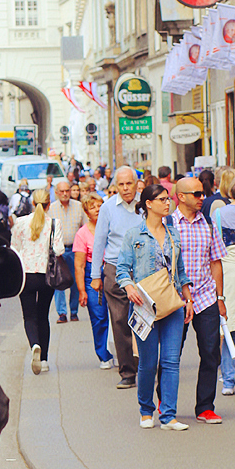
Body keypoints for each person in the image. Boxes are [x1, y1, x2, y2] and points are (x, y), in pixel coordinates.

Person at [116, 184, 193, 430]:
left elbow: (179, 270)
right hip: (144, 306)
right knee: (148, 362)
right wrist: (129, 288)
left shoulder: (173, 233)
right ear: (148, 204)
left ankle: (168, 415)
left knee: (171, 361)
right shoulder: (133, 235)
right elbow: (122, 269)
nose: (167, 203)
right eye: (162, 199)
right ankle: (146, 410)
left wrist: (187, 298)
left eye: (168, 199)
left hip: (172, 305)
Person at [169, 176, 227, 423]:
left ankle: (205, 406)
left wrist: (220, 297)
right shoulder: (167, 224)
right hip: (176, 299)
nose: (202, 198)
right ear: (180, 197)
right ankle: (165, 402)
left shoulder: (209, 224)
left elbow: (216, 262)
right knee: (172, 354)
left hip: (205, 297)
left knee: (211, 352)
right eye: (197, 194)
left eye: (203, 193)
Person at [91, 166, 141, 388]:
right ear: (115, 186)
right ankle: (128, 372)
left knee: (147, 318)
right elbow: (99, 241)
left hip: (144, 268)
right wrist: (95, 275)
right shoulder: (108, 208)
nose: (125, 188)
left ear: (136, 183)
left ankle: (147, 365)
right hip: (115, 268)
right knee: (119, 320)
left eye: (129, 183)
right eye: (121, 184)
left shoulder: (147, 204)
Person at [11, 188, 64, 375]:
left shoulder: (20, 222)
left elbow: (14, 248)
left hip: (26, 275)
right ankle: (45, 359)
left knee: (29, 316)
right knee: (43, 316)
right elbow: (58, 250)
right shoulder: (54, 224)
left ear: (33, 204)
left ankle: (34, 344)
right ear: (49, 204)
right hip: (46, 276)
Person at [213, 171, 235, 394]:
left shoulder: (219, 213)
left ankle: (228, 381)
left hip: (230, 271)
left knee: (229, 325)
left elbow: (214, 248)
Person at [73, 193, 113, 368]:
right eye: (92, 207)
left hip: (113, 270)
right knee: (99, 316)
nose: (97, 210)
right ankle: (103, 354)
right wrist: (82, 290)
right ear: (86, 212)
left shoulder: (112, 227)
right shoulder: (82, 233)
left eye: (99, 206)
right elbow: (79, 266)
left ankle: (123, 352)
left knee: (119, 315)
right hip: (92, 274)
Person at [49, 179, 85, 323]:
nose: (65, 194)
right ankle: (62, 313)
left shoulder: (78, 206)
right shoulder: (51, 208)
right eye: (61, 191)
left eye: (67, 191)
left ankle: (74, 311)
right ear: (57, 193)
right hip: (59, 252)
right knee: (59, 282)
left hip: (76, 250)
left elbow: (84, 227)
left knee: (76, 282)